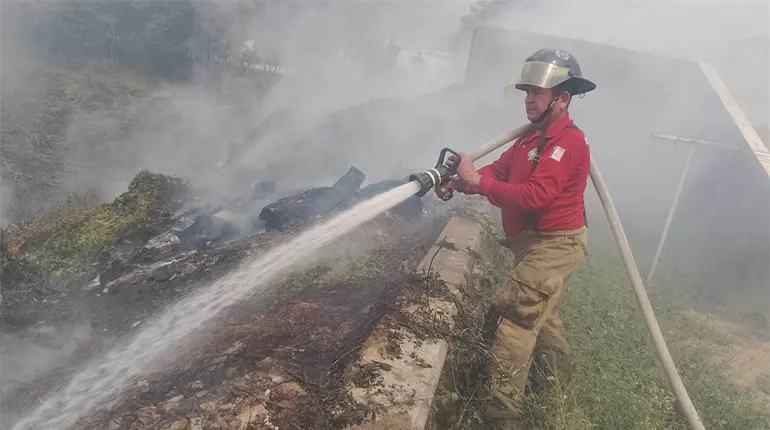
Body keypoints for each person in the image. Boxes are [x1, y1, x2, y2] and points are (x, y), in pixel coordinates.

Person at [435, 48, 596, 426]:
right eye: (527, 91)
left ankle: (499, 417)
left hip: (555, 244)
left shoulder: (567, 143)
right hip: (533, 243)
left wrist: (479, 181)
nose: (528, 98)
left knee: (516, 319)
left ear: (562, 98)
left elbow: (536, 196)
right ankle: (558, 390)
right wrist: (460, 182)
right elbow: (499, 170)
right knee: (544, 317)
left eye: (537, 93)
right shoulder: (529, 140)